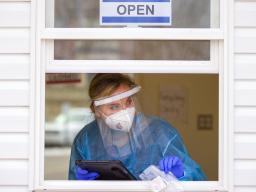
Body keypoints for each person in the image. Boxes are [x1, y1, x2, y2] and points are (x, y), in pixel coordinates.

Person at [68, 73, 206, 181]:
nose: (125, 111)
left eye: (128, 102)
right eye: (114, 106)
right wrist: (82, 185)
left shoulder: (160, 132)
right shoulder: (85, 140)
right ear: (96, 110)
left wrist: (181, 174)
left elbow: (197, 181)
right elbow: (72, 184)